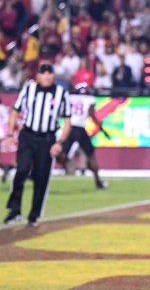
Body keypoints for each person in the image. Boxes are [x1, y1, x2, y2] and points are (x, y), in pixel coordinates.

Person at [4, 64, 72, 227]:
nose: (47, 76)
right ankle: (15, 210)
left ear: (53, 76)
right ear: (38, 76)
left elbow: (67, 120)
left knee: (41, 177)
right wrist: (10, 133)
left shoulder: (61, 93)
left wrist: (59, 142)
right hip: (28, 135)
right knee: (21, 169)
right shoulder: (29, 89)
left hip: (47, 139)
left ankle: (34, 215)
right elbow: (15, 110)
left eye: (50, 73)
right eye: (44, 73)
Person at [57, 83, 109, 189]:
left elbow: (62, 111)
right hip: (80, 129)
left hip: (70, 128)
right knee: (91, 156)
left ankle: (54, 164)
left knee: (61, 153)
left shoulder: (70, 97)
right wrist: (101, 128)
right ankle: (98, 182)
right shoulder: (89, 99)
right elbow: (92, 115)